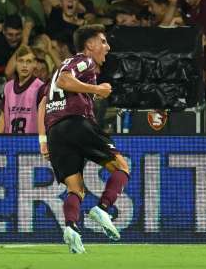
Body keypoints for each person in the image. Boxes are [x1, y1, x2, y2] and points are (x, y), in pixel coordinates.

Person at [38, 24, 130, 253]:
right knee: (121, 166)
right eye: (103, 41)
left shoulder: (59, 68)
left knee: (75, 188)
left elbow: (43, 102)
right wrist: (97, 90)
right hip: (75, 123)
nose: (107, 47)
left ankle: (70, 229)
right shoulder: (84, 61)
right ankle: (103, 208)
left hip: (55, 132)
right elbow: (65, 82)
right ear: (90, 45)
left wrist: (42, 139)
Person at [0, 45, 44, 133]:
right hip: (10, 143)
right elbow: (3, 117)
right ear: (16, 63)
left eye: (28, 61)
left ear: (35, 64)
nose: (24, 65)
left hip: (32, 143)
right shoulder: (8, 87)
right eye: (21, 61)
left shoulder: (41, 87)